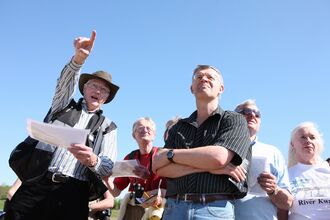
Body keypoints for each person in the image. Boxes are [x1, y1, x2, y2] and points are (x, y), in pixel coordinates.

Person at [5, 30, 119, 220]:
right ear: (84, 88)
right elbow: (63, 86)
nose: (98, 91)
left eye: (104, 90)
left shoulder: (108, 127)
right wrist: (78, 60)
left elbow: (108, 165)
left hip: (73, 193)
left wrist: (93, 160)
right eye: (94, 86)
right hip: (37, 183)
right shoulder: (63, 106)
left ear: (107, 98)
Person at [153, 65, 251, 220]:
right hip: (174, 208)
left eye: (210, 77)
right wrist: (211, 168)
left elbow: (218, 158)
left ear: (221, 89)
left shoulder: (234, 120)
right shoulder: (178, 127)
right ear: (191, 88)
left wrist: (170, 155)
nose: (203, 79)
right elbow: (159, 167)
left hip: (214, 210)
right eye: (198, 77)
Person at [233, 99, 293, 220]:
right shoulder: (219, 150)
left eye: (257, 113)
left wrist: (273, 190)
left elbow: (287, 203)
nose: (252, 115)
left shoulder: (273, 152)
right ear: (233, 118)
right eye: (246, 111)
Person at [108, 117, 167, 220]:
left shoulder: (163, 155)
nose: (144, 130)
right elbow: (116, 192)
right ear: (133, 135)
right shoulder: (129, 158)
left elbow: (175, 187)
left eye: (148, 128)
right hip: (134, 210)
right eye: (140, 128)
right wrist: (106, 179)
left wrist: (152, 192)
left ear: (154, 134)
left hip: (158, 210)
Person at [278, 122, 330, 220]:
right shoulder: (285, 175)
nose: (308, 141)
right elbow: (281, 212)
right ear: (292, 144)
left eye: (312, 137)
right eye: (303, 137)